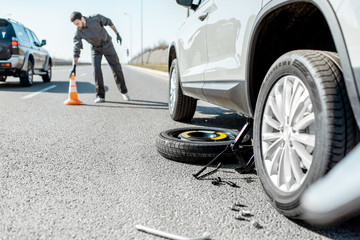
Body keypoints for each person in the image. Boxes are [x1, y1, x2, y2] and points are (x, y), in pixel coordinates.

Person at [70, 11, 130, 103]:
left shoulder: (96, 18)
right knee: (96, 69)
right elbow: (76, 50)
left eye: (78, 23)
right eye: (75, 25)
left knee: (116, 68)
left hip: (107, 45)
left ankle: (124, 92)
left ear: (82, 19)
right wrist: (74, 67)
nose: (77, 26)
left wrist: (117, 34)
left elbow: (109, 22)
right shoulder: (78, 33)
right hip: (95, 49)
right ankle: (100, 96)